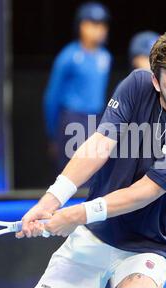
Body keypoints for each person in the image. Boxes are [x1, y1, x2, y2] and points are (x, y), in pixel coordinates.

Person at [18, 30, 166, 288]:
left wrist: (78, 214)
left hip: (147, 247)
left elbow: (145, 192)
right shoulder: (137, 85)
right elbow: (99, 145)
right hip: (93, 235)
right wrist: (52, 199)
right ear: (156, 82)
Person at [43, 2, 112, 172]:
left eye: (103, 24)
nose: (100, 29)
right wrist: (52, 133)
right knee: (71, 172)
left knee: (95, 172)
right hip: (72, 119)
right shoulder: (68, 56)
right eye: (94, 24)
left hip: (96, 120)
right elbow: (52, 96)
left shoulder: (106, 57)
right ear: (82, 26)